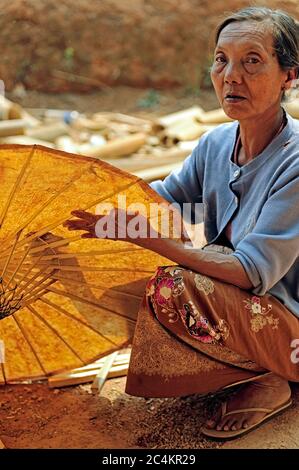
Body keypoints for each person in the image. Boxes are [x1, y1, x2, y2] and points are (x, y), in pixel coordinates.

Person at [63, 6, 299, 440]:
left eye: (252, 60)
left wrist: (155, 242)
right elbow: (159, 199)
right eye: (221, 59)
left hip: (288, 323)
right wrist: (91, 215)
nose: (231, 75)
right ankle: (233, 367)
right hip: (236, 307)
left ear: (289, 76)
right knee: (111, 275)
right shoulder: (215, 143)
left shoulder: (296, 162)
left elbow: (250, 272)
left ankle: (270, 377)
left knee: (176, 285)